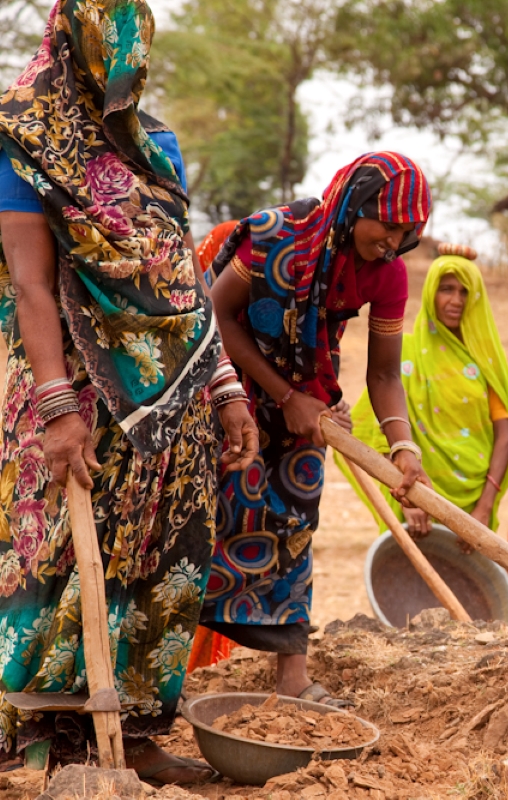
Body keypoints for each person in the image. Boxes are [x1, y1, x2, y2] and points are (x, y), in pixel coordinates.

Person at [0, 0, 258, 782]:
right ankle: (36, 738)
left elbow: (181, 282)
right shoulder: (21, 141)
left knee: (163, 555)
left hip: (169, 408)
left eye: (135, 64)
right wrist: (59, 413)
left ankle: (137, 732)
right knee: (51, 563)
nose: (126, 81)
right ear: (74, 49)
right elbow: (32, 286)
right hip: (67, 394)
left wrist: (224, 387)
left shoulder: (157, 150)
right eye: (115, 63)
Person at [202, 152, 432, 708]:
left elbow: (382, 374)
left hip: (309, 400)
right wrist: (282, 397)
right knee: (206, 521)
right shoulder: (275, 239)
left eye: (409, 232)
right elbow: (214, 317)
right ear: (355, 207)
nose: (394, 241)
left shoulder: (389, 273)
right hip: (225, 385)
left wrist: (403, 446)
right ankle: (171, 672)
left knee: (295, 519)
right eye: (388, 225)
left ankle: (293, 676)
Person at [341, 243, 508, 535]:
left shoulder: (486, 363)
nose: (456, 300)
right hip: (415, 496)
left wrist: (486, 505)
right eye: (446, 289)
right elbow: (378, 429)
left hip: (474, 503)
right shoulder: (407, 352)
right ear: (430, 293)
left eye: (464, 291)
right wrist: (407, 495)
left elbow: (505, 435)